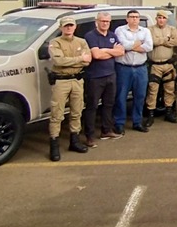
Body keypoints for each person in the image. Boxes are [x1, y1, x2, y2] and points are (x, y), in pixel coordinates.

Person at [48, 16, 91, 161]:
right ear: (60, 28)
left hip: (78, 80)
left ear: (75, 27)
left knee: (76, 112)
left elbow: (88, 60)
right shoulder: (55, 42)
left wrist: (72, 62)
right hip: (61, 81)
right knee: (57, 114)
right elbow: (58, 61)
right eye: (66, 26)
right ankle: (54, 145)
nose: (68, 28)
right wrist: (79, 59)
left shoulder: (82, 41)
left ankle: (75, 141)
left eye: (71, 25)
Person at [82, 12, 124, 148]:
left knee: (108, 104)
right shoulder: (90, 36)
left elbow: (121, 52)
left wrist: (105, 50)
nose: (105, 23)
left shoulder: (112, 35)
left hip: (111, 75)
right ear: (96, 22)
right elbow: (96, 55)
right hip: (95, 77)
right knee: (92, 107)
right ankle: (89, 136)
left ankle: (106, 131)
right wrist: (111, 51)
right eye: (102, 21)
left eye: (107, 21)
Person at [114, 10, 153, 134]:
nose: (134, 19)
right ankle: (119, 123)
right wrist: (138, 45)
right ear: (127, 19)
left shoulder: (145, 31)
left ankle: (137, 122)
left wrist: (131, 47)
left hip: (141, 68)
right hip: (123, 68)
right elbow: (123, 45)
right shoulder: (120, 30)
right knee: (121, 96)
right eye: (131, 17)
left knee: (140, 96)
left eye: (136, 17)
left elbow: (149, 47)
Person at [147, 10, 177, 126]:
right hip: (155, 65)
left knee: (169, 90)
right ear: (156, 19)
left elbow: (176, 42)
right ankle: (150, 114)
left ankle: (169, 112)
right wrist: (165, 40)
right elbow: (151, 42)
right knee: (153, 90)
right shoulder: (150, 29)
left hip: (168, 65)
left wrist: (160, 42)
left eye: (163, 18)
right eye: (159, 17)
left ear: (166, 19)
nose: (161, 20)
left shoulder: (172, 29)